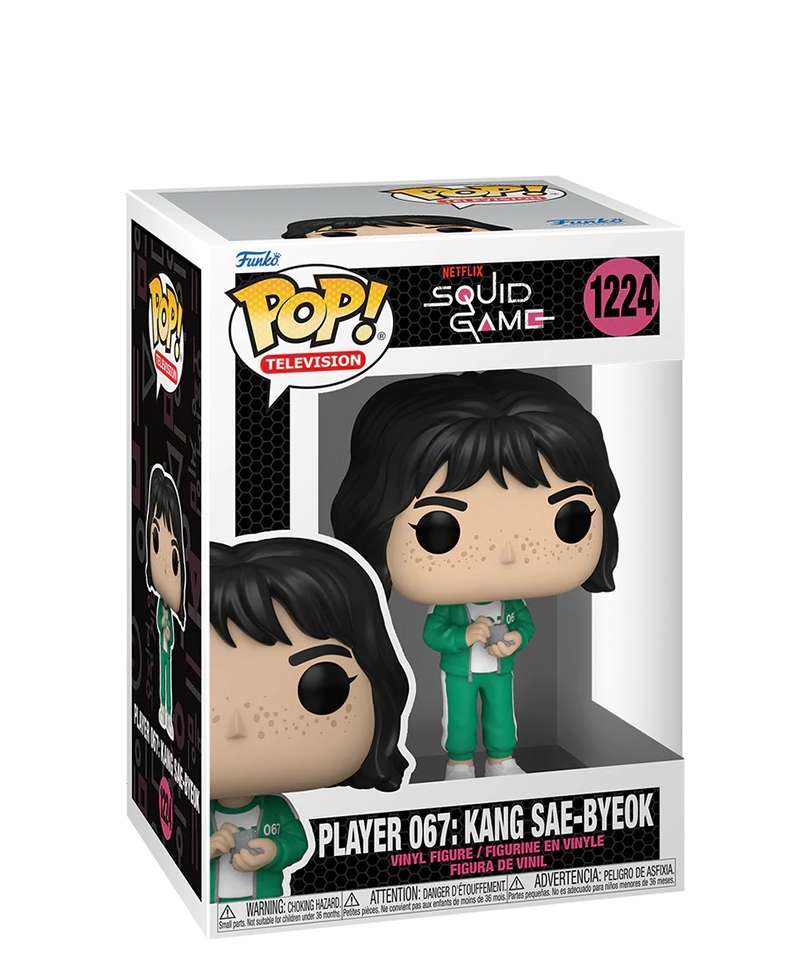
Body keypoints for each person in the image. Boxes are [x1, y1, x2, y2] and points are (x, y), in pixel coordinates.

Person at [332, 370, 619, 779]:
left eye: (568, 520)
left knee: (502, 717)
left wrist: (516, 638)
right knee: (460, 720)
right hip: (460, 671)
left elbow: (525, 624)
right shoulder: (450, 606)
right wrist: (463, 637)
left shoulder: (511, 602)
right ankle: (460, 763)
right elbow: (433, 633)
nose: (507, 555)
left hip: (501, 670)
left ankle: (503, 759)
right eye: (439, 529)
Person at [209, 536, 412, 902]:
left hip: (265, 906)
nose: (238, 727)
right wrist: (208, 847)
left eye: (323, 686)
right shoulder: (197, 809)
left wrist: (274, 852)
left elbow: (297, 842)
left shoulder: (275, 808)